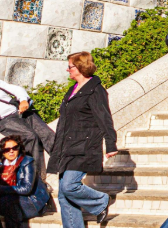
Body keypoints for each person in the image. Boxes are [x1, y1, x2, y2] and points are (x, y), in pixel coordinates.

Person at [48, 51, 119, 228]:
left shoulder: (95, 89)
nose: (68, 69)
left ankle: (101, 200)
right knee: (64, 196)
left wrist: (110, 143)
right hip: (67, 146)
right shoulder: (72, 89)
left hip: (85, 145)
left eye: (70, 66)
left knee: (69, 186)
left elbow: (104, 117)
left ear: (80, 67)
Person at [0, 69, 56, 179]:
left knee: (48, 134)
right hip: (4, 120)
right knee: (30, 137)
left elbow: (15, 89)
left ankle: (65, 169)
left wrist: (23, 100)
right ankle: (35, 178)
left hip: (20, 112)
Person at [0, 136, 50, 228]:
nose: (11, 151)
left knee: (8, 203)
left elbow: (26, 188)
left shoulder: (27, 161)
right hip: (8, 199)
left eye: (15, 148)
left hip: (32, 200)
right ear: (2, 151)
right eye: (7, 149)